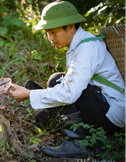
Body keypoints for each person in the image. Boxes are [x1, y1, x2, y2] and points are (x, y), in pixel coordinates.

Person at [9, 0, 126, 158]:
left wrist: (29, 94)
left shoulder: (87, 48)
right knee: (54, 91)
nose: (50, 38)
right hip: (101, 106)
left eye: (53, 32)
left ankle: (76, 143)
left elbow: (69, 93)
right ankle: (94, 138)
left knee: (57, 80)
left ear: (71, 27)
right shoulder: (77, 44)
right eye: (47, 33)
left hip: (111, 112)